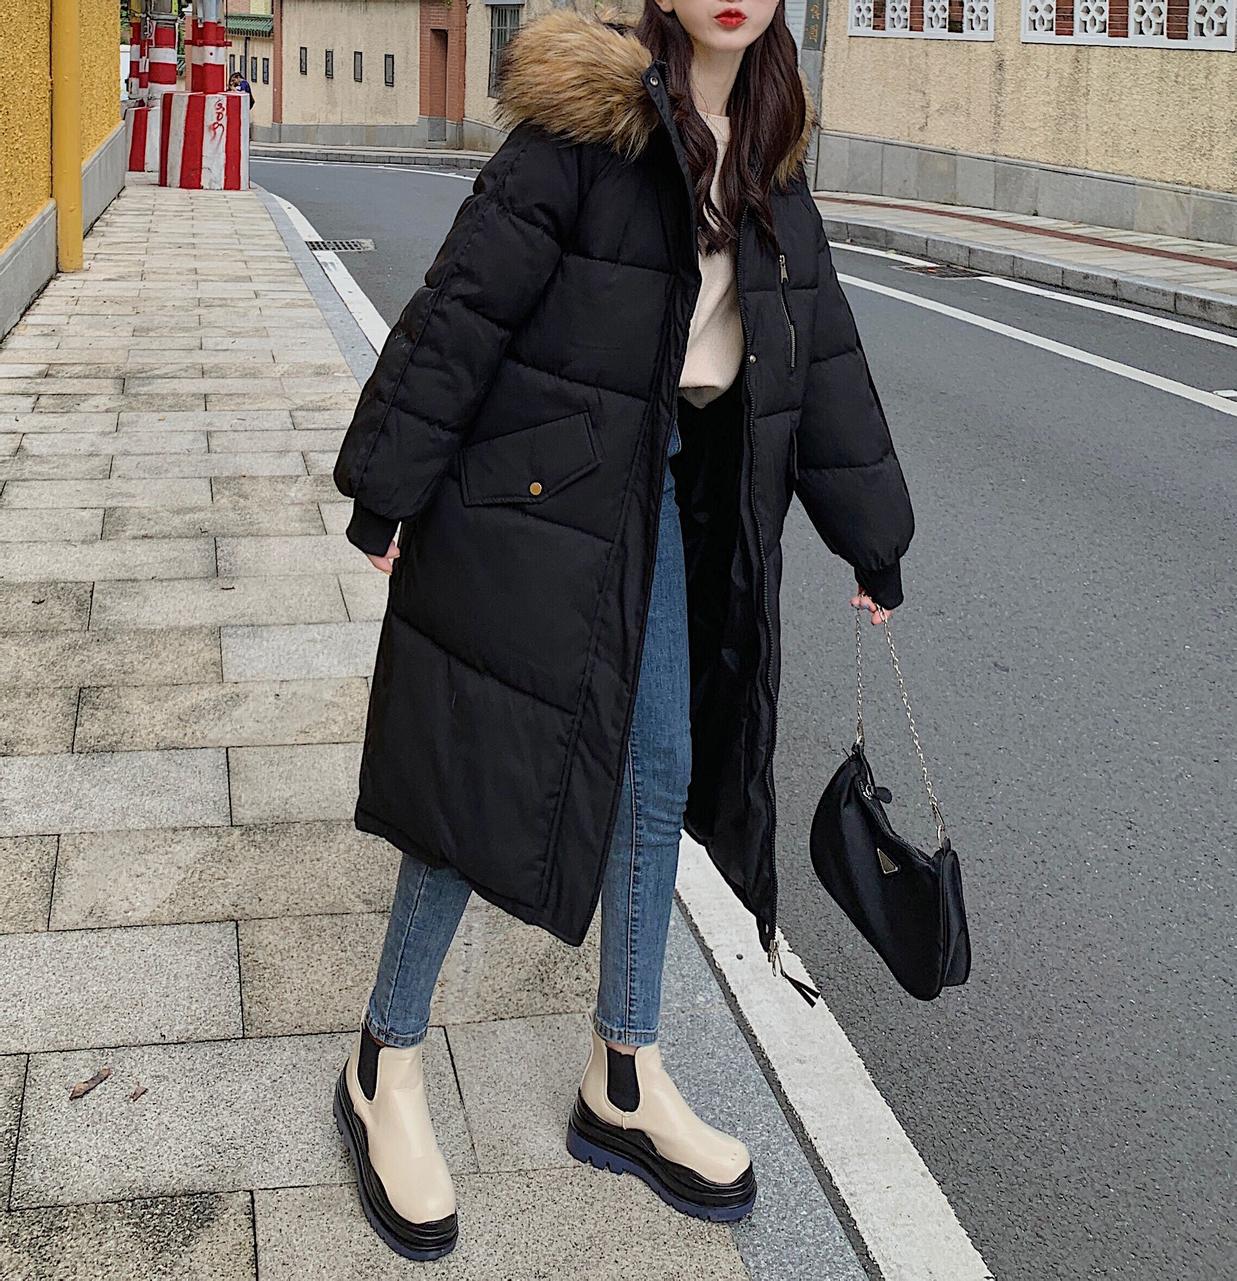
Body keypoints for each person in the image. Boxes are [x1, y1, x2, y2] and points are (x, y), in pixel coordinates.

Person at [330, 0, 914, 1261]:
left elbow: (817, 349)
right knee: (478, 774)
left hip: (658, 497)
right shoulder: (586, 126)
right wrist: (387, 486)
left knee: (654, 772)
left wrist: (873, 536)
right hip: (528, 495)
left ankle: (626, 1075)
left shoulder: (772, 145)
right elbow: (465, 308)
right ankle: (385, 1061)